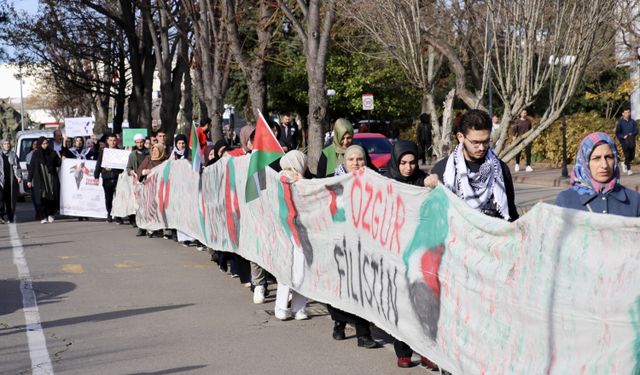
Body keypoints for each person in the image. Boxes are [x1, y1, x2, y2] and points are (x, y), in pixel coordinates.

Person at [383, 140, 440, 369]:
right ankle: (403, 351)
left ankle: (427, 351)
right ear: (396, 161)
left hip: (420, 251)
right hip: (395, 252)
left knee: (424, 303)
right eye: (403, 162)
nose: (408, 167)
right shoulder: (385, 181)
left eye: (412, 162)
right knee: (402, 304)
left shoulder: (423, 181)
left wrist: (435, 185)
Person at [327, 144, 379, 349]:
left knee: (362, 286)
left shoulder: (375, 180)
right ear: (344, 162)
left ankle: (363, 334)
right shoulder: (334, 181)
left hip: (365, 242)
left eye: (360, 159)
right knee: (342, 286)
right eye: (351, 160)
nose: (356, 163)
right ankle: (338, 323)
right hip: (341, 240)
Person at [431, 109, 519, 222]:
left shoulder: (500, 170)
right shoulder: (442, 171)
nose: (482, 148)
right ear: (460, 137)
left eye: (486, 141)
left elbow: (511, 212)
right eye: (476, 142)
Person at [556, 132, 640, 217]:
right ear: (585, 162)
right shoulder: (566, 200)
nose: (604, 165)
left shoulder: (634, 200)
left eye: (609, 157)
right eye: (596, 158)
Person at [274, 150, 310, 321]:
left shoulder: (303, 180)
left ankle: (299, 307)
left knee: (302, 270)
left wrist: (303, 183)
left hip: (302, 232)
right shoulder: (278, 179)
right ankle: (281, 306)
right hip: (284, 232)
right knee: (285, 270)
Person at [27, 137, 61, 224]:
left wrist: (61, 158)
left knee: (51, 195)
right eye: (43, 144)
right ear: (40, 144)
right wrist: (29, 180)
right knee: (42, 197)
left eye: (46, 143)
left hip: (51, 177)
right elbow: (31, 167)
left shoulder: (52, 152)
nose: (45, 145)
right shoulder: (36, 154)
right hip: (40, 178)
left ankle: (50, 214)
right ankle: (43, 216)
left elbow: (58, 163)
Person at [137, 143, 167, 238]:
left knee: (159, 208)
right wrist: (144, 172)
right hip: (149, 188)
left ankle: (157, 229)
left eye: (156, 151)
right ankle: (145, 228)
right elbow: (139, 170)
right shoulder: (148, 159)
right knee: (148, 208)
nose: (154, 152)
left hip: (160, 188)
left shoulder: (165, 161)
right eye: (153, 150)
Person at [94, 134, 124, 224]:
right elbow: (99, 164)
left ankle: (118, 216)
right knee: (108, 198)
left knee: (119, 198)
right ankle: (109, 214)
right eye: (110, 140)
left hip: (117, 178)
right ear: (107, 141)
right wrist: (96, 176)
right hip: (106, 178)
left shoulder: (120, 152)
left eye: (114, 140)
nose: (112, 142)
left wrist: (114, 169)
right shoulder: (103, 152)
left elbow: (123, 166)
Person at [127, 134, 149, 234]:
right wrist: (131, 172)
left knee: (148, 204)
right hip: (138, 182)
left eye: (141, 142)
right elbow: (128, 168)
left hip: (149, 181)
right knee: (139, 205)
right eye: (138, 142)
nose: (140, 144)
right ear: (135, 143)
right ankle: (141, 227)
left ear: (144, 142)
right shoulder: (132, 155)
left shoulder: (149, 153)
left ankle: (149, 226)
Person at [0, 139, 22, 224]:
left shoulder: (13, 155)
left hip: (11, 180)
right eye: (5, 144)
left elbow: (17, 166)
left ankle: (10, 217)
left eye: (8, 144)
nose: (7, 145)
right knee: (1, 199)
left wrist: (19, 176)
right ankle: (1, 216)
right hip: (1, 180)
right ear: (2, 145)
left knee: (10, 200)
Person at [615, 108, 638, 175]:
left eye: (628, 112)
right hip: (624, 141)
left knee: (632, 156)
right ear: (623, 114)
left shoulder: (633, 121)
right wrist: (623, 136)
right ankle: (629, 169)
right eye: (626, 112)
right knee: (627, 155)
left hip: (631, 140)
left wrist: (632, 134)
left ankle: (624, 163)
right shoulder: (620, 122)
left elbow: (636, 130)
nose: (627, 114)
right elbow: (617, 132)